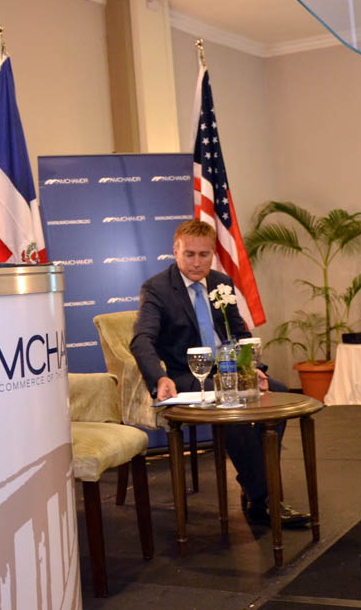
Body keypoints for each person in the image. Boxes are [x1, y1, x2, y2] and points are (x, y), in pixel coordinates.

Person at [130, 219, 311, 528]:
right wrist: (159, 378)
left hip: (230, 369)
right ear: (175, 251)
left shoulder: (221, 282)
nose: (197, 263)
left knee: (278, 392)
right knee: (230, 402)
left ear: (213, 253)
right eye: (189, 254)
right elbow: (141, 340)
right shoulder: (157, 289)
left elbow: (239, 334)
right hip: (190, 375)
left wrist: (254, 369)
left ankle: (255, 485)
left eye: (204, 255)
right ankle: (265, 498)